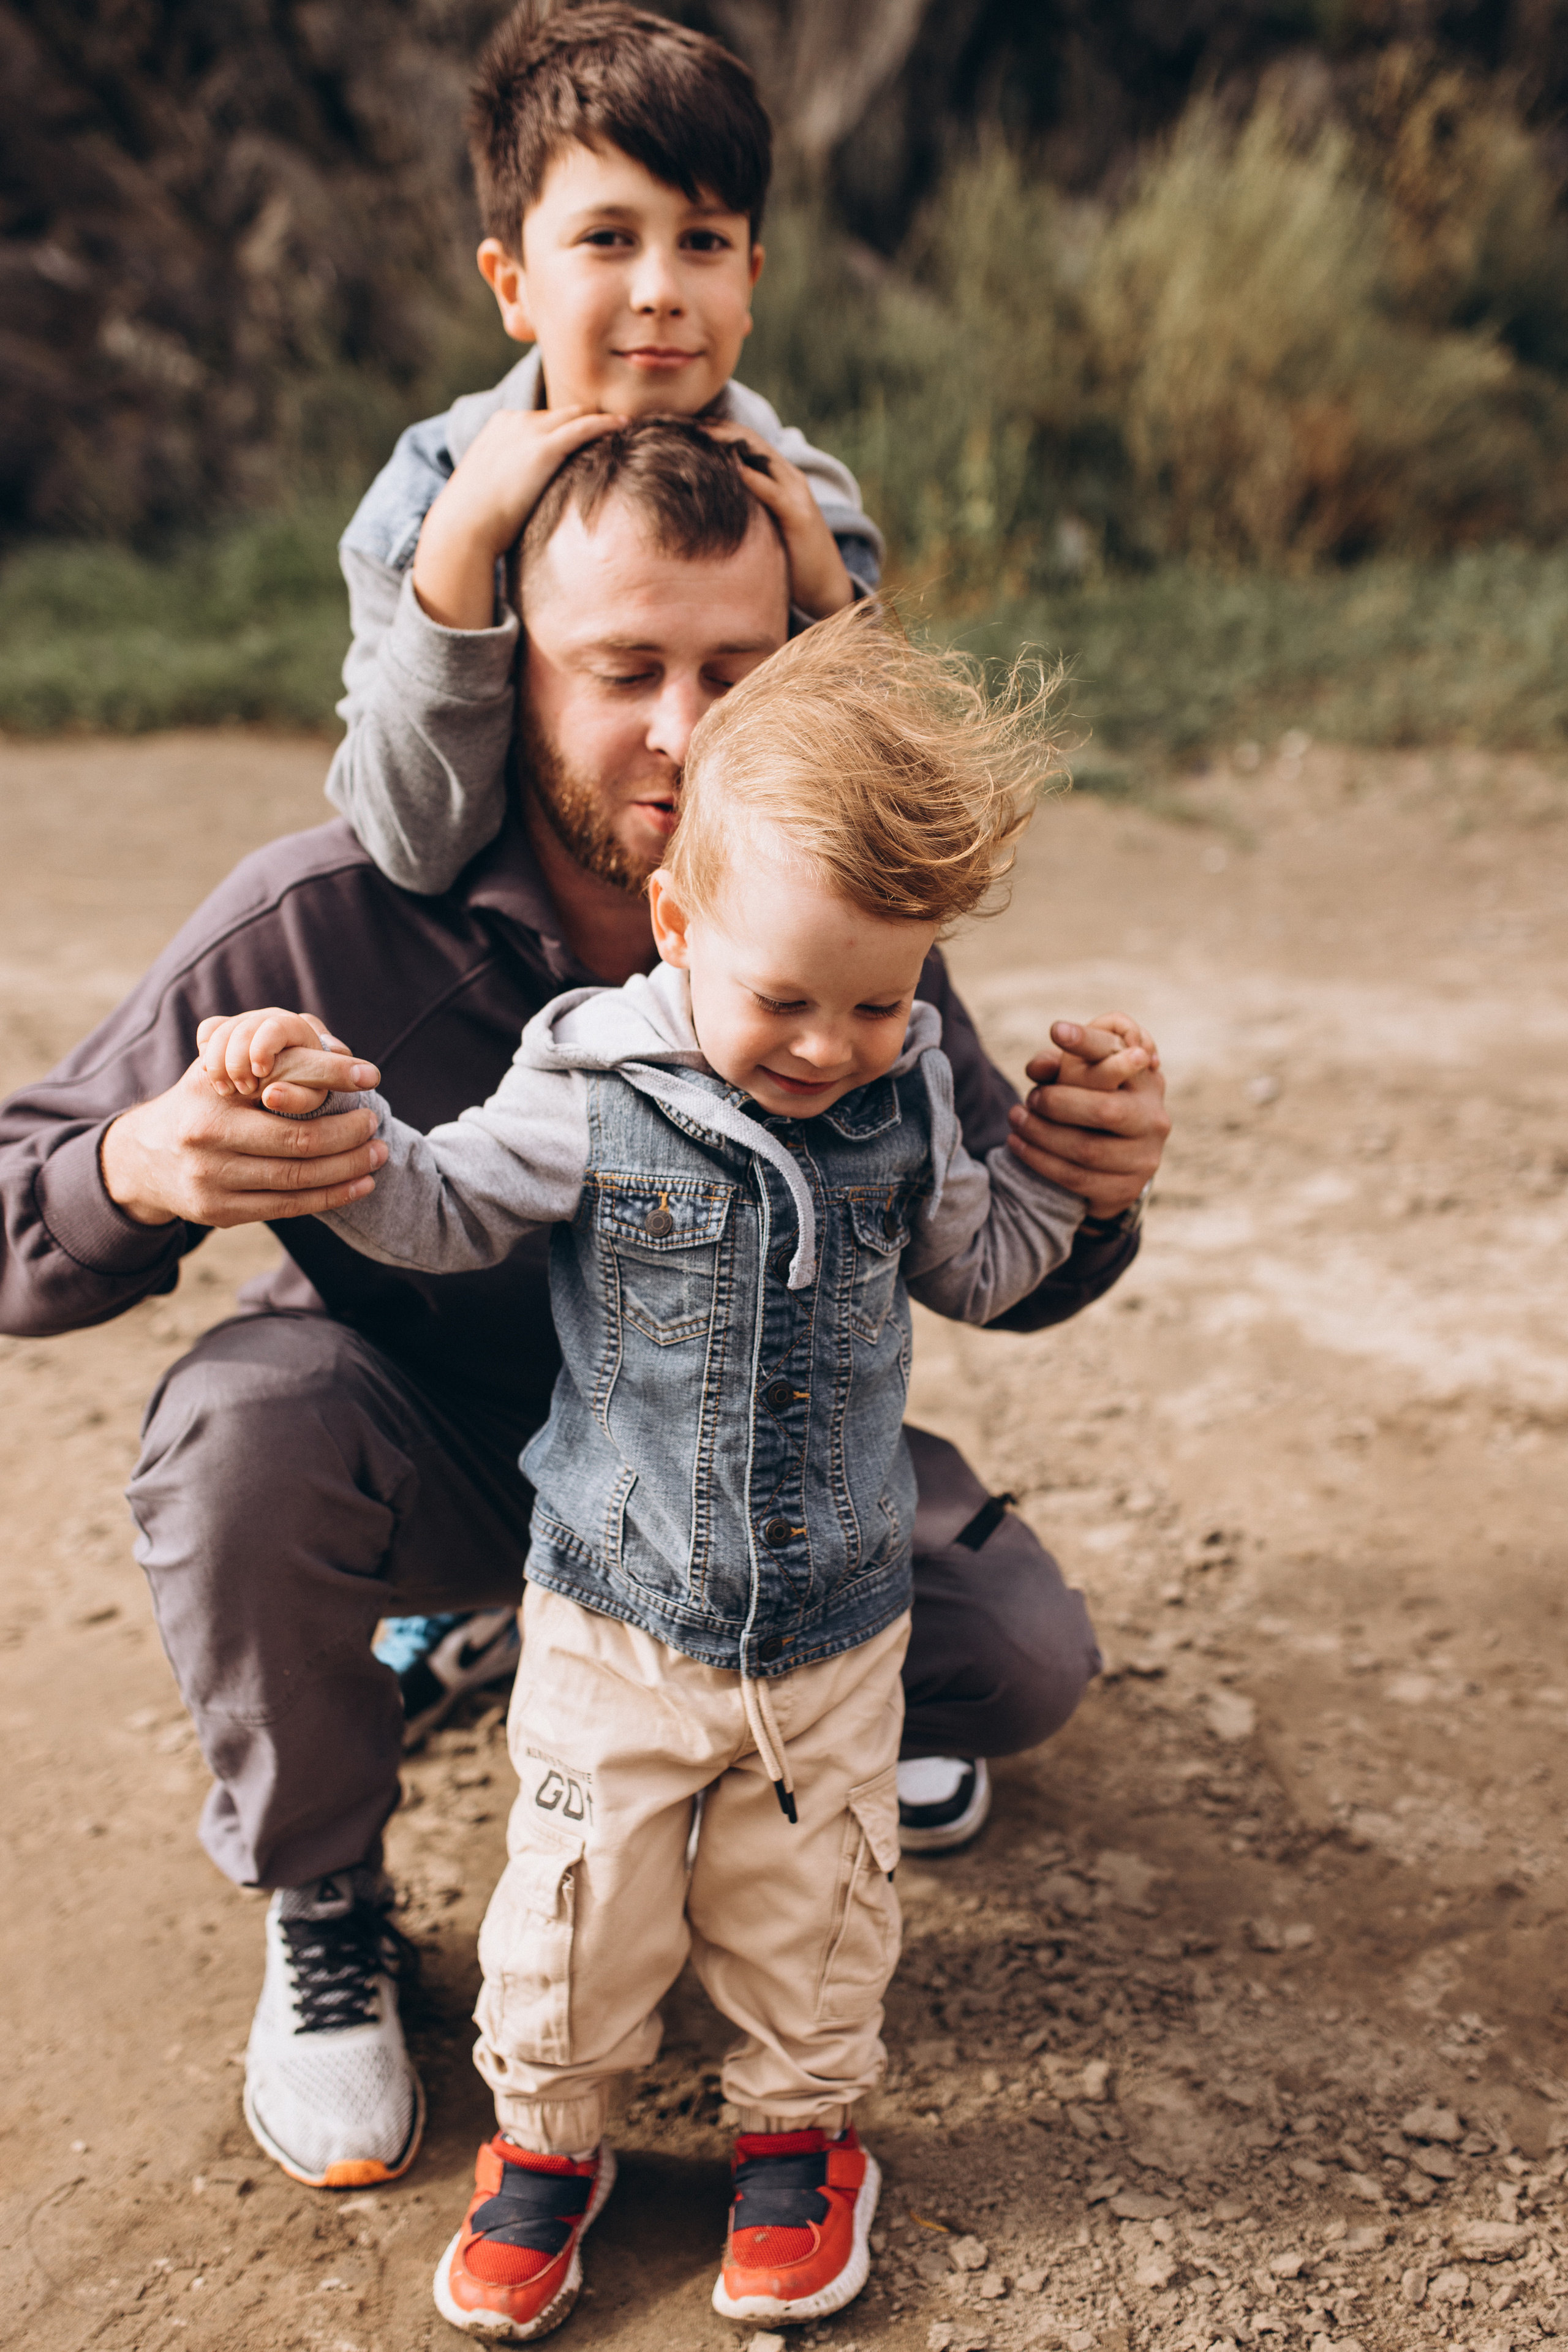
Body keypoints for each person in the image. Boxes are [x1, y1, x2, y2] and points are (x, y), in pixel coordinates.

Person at [0, 420, 1167, 2198]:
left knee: (1019, 1659)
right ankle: (328, 1909)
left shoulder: (842, 934)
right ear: (503, 673)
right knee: (238, 1438)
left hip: (756, 1476)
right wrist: (144, 1162)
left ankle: (729, 1781)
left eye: (738, 668)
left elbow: (978, 1247)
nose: (686, 730)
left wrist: (1090, 1173)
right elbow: (40, 1209)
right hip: (431, 1441)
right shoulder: (311, 924)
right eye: (625, 667)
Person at [194, 606, 1158, 2337]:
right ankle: (550, 2146)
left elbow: (987, 1263)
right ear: (677, 919)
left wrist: (1074, 1168)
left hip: (841, 1619)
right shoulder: (589, 1078)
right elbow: (436, 1204)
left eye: (878, 1000)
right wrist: (338, 1142)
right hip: (615, 1613)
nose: (825, 1044)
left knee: (817, 1908)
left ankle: (800, 2140)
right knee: (577, 1909)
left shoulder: (909, 1085)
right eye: (785, 996)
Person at [330, 0, 882, 903]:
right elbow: (409, 839)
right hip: (487, 958)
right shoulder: (425, 503)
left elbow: (860, 837)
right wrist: (459, 560)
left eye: (703, 241)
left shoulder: (808, 505)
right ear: (512, 285)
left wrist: (829, 609)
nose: (661, 289)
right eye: (608, 239)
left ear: (749, 283)